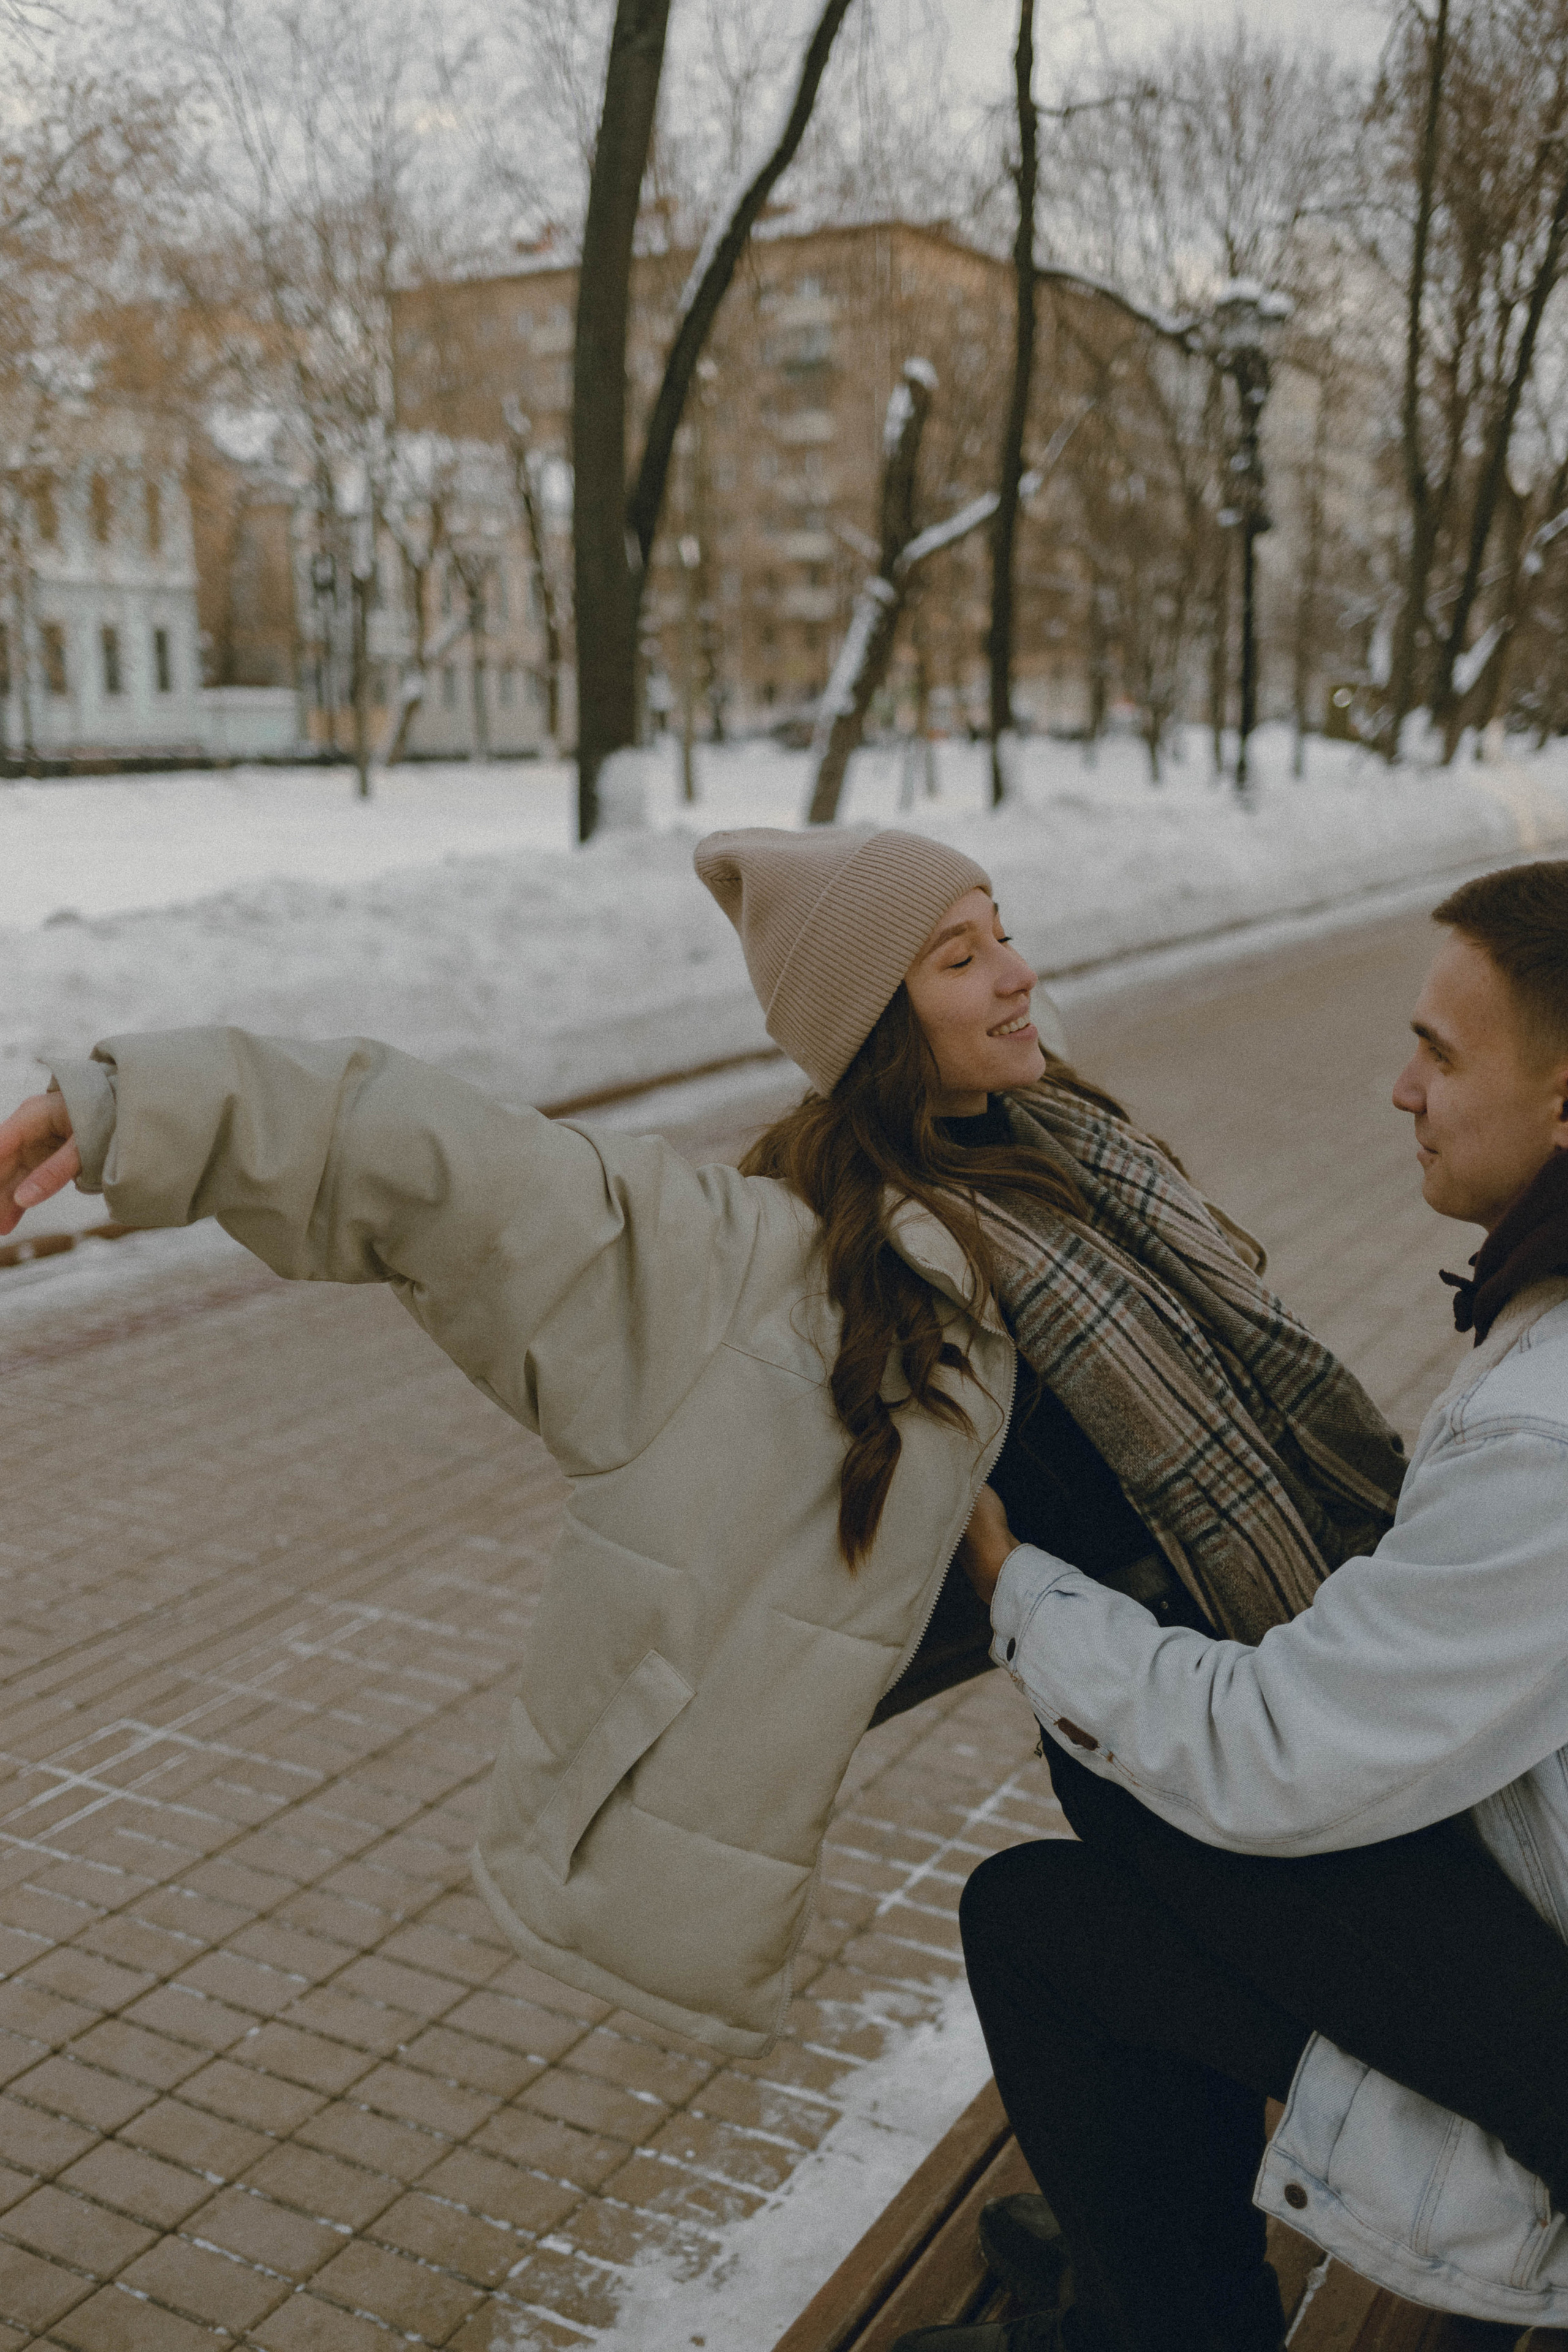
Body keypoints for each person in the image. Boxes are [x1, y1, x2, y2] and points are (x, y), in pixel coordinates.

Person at [0, 829, 1563, 2344]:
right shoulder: (809, 1258)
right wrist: (137, 1106)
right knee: (1046, 1935)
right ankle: (1145, 2272)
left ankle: (1153, 2269)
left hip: (1290, 1756)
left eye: (1004, 930)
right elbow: (468, 1174)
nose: (1016, 973)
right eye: (957, 958)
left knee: (1050, 1943)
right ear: (877, 1022)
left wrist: (1030, 1581)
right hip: (1206, 1762)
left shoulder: (1073, 1153)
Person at [921, 860, 1568, 2352]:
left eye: (1437, 1053)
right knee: (1097, 1851)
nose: (1398, 1089)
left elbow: (1279, 1753)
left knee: (1092, 1852)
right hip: (1504, 1901)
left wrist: (1015, 1586)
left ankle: (1157, 2286)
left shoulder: (1544, 1433)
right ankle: (1142, 2233)